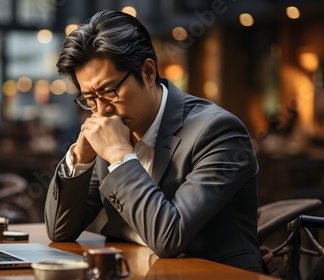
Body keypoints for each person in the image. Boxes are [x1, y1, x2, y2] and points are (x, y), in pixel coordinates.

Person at [44, 10, 264, 273]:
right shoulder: (113, 125)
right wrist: (80, 159)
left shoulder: (218, 131)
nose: (101, 111)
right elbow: (59, 230)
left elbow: (169, 237)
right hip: (134, 269)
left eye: (109, 91)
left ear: (148, 72)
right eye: (89, 98)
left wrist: (119, 156)